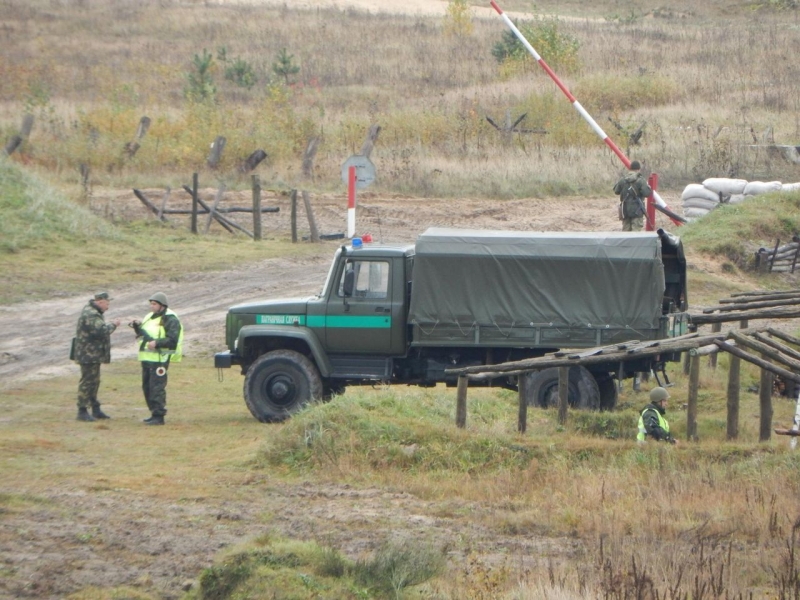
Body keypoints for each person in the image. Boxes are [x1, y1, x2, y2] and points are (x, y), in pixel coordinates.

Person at [129, 292, 183, 426]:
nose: (151, 306)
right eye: (151, 304)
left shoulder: (170, 319)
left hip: (160, 359)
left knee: (157, 388)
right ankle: (153, 413)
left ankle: (159, 416)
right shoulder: (149, 317)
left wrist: (157, 343)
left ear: (162, 305)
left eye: (154, 304)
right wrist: (137, 327)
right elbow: (144, 336)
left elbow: (172, 340)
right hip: (147, 358)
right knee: (147, 387)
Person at [73, 292, 121, 422]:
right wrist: (114, 325)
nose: (108, 306)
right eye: (107, 303)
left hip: (92, 354)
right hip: (88, 354)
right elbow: (102, 331)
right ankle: (82, 410)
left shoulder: (93, 312)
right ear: (100, 302)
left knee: (94, 381)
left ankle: (95, 408)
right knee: (88, 381)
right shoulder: (91, 314)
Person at [613, 160, 653, 232]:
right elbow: (647, 193)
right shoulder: (640, 180)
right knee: (636, 233)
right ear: (638, 169)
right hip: (637, 210)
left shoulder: (623, 179)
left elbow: (616, 191)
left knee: (625, 232)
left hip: (625, 209)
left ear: (630, 169)